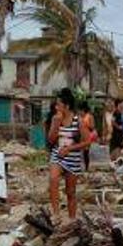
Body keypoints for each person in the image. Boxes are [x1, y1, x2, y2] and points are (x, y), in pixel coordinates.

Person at [48, 90, 95, 221]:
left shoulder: (78, 121)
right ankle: (56, 214)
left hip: (72, 157)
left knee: (70, 192)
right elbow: (51, 140)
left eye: (59, 104)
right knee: (53, 179)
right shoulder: (55, 118)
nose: (56, 107)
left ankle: (72, 219)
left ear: (66, 106)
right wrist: (56, 124)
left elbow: (87, 141)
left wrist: (70, 148)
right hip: (57, 154)